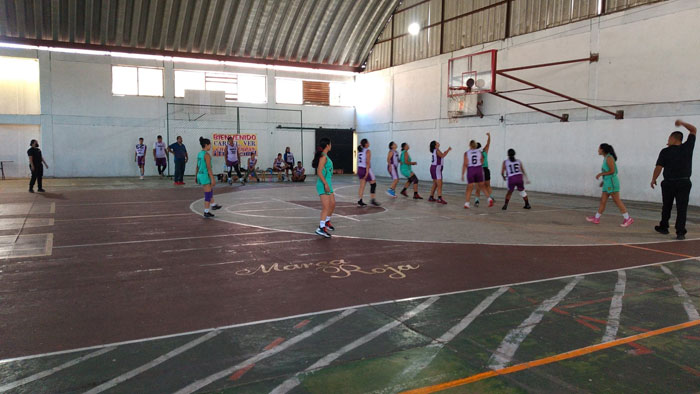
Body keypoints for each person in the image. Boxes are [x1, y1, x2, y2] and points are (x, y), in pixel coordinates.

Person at [651, 119, 696, 240]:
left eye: (669, 138)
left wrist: (653, 179)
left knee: (667, 206)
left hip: (669, 182)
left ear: (674, 138)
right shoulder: (688, 147)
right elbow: (693, 130)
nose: (668, 140)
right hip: (684, 182)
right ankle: (680, 232)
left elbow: (659, 167)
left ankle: (664, 227)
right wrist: (683, 123)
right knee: (682, 208)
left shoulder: (665, 151)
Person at [586, 144, 633, 227]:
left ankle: (628, 218)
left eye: (599, 149)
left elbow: (612, 171)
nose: (598, 150)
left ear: (603, 150)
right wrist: (603, 181)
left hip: (612, 183)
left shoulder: (609, 158)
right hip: (607, 183)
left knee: (617, 201)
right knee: (603, 201)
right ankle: (596, 218)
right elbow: (608, 172)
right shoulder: (605, 158)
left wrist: (601, 174)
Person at [313, 138, 335, 238]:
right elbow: (319, 171)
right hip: (323, 184)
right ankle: (321, 228)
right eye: (330, 144)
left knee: (332, 204)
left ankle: (326, 222)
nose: (331, 145)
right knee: (326, 207)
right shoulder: (323, 157)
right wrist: (325, 184)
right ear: (327, 145)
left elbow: (327, 170)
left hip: (328, 183)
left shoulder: (326, 156)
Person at [195, 137, 221, 218]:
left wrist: (196, 176)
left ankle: (213, 205)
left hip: (200, 174)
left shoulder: (199, 154)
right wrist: (212, 178)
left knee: (209, 190)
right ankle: (206, 211)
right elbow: (209, 168)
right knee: (208, 194)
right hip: (205, 175)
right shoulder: (206, 155)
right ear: (206, 145)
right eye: (210, 145)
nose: (210, 146)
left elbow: (197, 166)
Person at [462, 138, 487, 209]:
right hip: (481, 169)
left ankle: (471, 202)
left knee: (471, 187)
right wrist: (488, 137)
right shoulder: (482, 152)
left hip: (472, 169)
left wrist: (463, 174)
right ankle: (489, 198)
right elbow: (482, 160)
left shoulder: (468, 153)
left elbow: (465, 163)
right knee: (483, 186)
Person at [357, 138, 380, 207]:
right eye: (368, 142)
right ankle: (372, 200)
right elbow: (367, 162)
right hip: (365, 169)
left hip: (359, 169)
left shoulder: (360, 151)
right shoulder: (368, 151)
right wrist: (367, 172)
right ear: (366, 144)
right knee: (373, 184)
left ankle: (360, 200)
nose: (369, 143)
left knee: (362, 186)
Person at [474, 133, 495, 207]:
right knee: (488, 185)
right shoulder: (484, 151)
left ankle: (477, 201)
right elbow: (488, 143)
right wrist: (489, 136)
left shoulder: (474, 154)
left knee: (477, 187)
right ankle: (491, 197)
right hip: (485, 170)